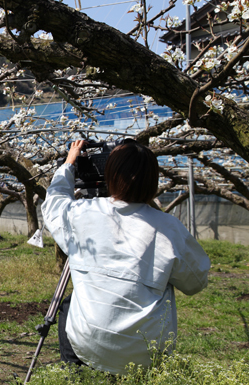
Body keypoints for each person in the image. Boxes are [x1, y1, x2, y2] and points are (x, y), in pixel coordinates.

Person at [41, 139, 211, 374]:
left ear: (110, 174)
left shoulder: (82, 214)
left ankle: (75, 373)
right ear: (154, 179)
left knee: (69, 305)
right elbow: (196, 282)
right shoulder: (168, 229)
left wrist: (70, 163)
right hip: (145, 350)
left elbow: (54, 203)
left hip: (88, 344)